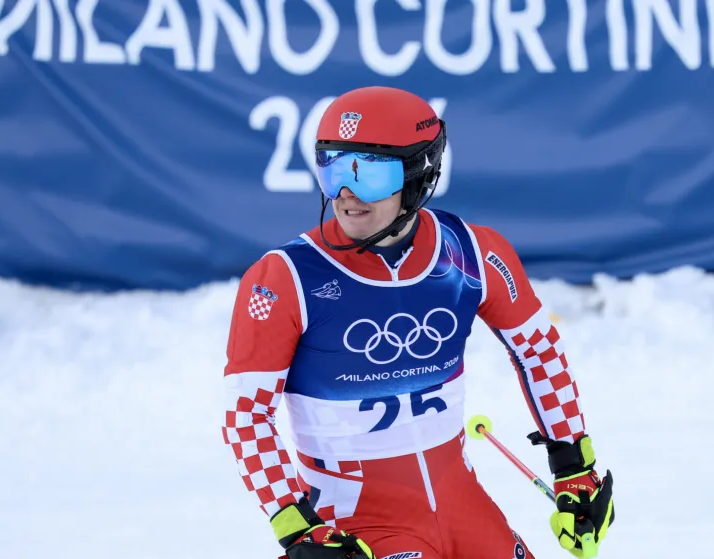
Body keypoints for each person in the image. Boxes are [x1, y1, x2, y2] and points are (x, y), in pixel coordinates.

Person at [221, 86, 615, 559]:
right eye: (332, 167)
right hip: (355, 525)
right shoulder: (283, 278)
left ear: (416, 175)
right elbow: (247, 414)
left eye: (367, 173)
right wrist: (296, 528)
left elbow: (540, 350)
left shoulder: (472, 254)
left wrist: (574, 465)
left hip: (462, 506)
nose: (346, 194)